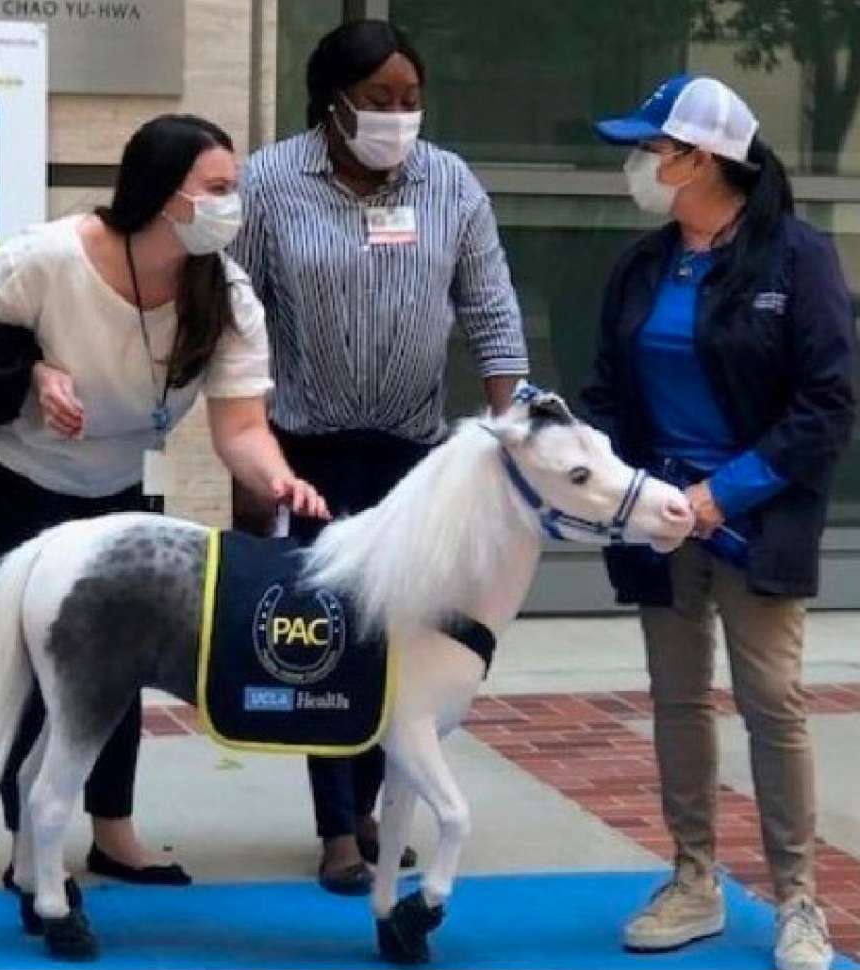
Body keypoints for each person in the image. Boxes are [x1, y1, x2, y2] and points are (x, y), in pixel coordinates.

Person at [0, 114, 328, 891]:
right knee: (44, 658)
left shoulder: (222, 292)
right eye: (217, 190)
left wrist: (277, 478)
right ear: (163, 195)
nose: (233, 206)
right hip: (5, 484)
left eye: (236, 189)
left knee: (120, 659)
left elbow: (242, 427)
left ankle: (113, 833)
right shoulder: (52, 256)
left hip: (112, 486)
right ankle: (31, 847)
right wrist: (34, 372)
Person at [229, 19, 528, 895]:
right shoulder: (271, 182)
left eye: (412, 100)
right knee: (321, 635)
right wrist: (248, 453)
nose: (401, 117)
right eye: (379, 101)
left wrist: (514, 436)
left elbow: (492, 311)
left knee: (397, 637)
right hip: (306, 450)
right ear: (333, 101)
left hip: (413, 449)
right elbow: (238, 317)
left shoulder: (450, 183)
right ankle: (336, 829)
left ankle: (367, 804)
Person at [580, 75, 856, 970]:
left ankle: (798, 901)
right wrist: (620, 490)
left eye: (652, 148)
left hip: (751, 519)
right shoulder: (642, 264)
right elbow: (607, 394)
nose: (640, 165)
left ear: (702, 160)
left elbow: (825, 404)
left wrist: (721, 496)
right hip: (660, 521)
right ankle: (693, 877)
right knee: (677, 698)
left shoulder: (796, 260)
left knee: (772, 703)